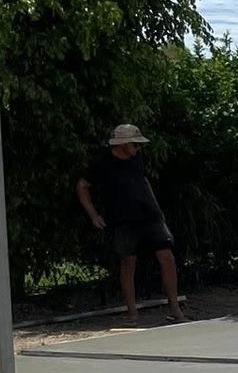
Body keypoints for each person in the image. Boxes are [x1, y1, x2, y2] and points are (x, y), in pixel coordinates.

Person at [77, 124, 183, 326]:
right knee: (128, 264)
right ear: (123, 144)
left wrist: (157, 210)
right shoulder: (103, 163)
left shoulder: (136, 158)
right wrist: (94, 215)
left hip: (151, 216)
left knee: (167, 257)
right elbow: (82, 186)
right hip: (123, 219)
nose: (138, 148)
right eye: (134, 144)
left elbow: (144, 181)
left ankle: (175, 308)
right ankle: (132, 314)